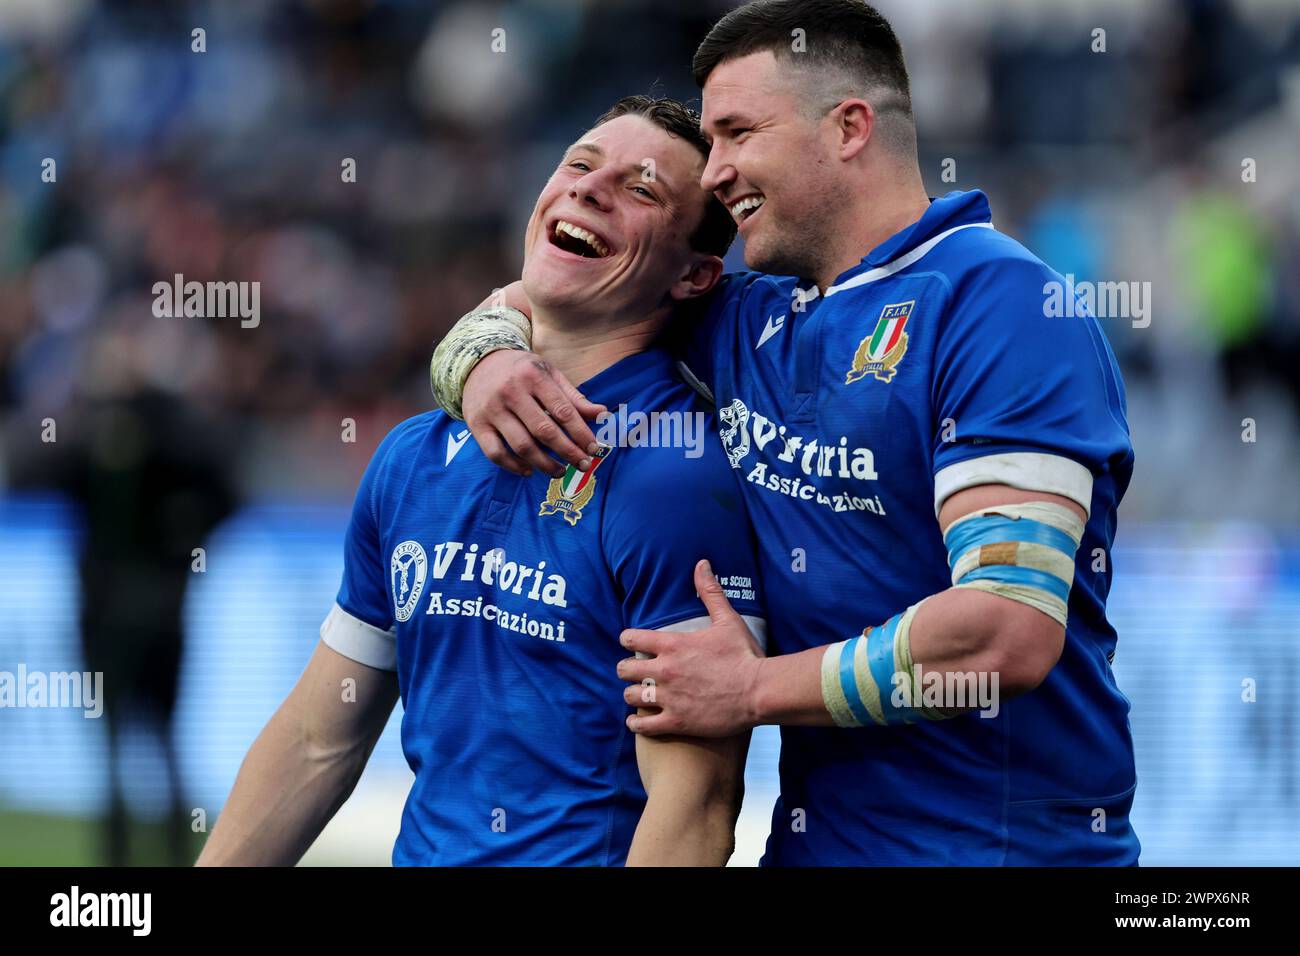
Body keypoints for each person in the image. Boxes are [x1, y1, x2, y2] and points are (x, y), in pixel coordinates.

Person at [429, 0, 1139, 865]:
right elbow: (561, 293)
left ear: (848, 128)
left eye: (735, 133)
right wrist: (486, 358)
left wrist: (754, 688)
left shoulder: (1005, 305)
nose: (715, 172)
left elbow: (1004, 634)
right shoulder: (745, 317)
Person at [197, 96, 767, 867]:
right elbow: (317, 738)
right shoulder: (413, 457)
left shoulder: (676, 478)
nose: (588, 190)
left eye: (641, 190)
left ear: (696, 276)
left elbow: (694, 808)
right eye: (578, 163)